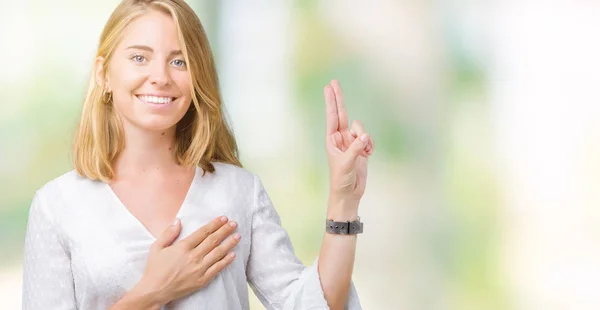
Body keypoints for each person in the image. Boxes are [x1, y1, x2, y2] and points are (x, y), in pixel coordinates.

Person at [21, 0, 375, 309]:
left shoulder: (238, 191)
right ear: (104, 74)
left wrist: (344, 201)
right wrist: (151, 292)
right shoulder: (57, 207)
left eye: (179, 62)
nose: (159, 77)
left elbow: (312, 306)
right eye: (139, 58)